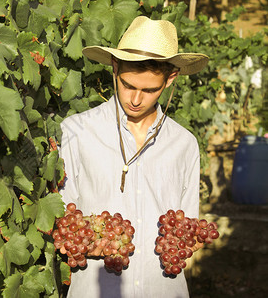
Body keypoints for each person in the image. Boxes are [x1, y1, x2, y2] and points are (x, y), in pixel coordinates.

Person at [58, 16, 209, 297]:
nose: (136, 99)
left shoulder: (184, 144)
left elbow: (185, 228)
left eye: (149, 90)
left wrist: (189, 241)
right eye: (128, 85)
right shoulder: (76, 132)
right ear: (115, 68)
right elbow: (65, 222)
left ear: (171, 78)